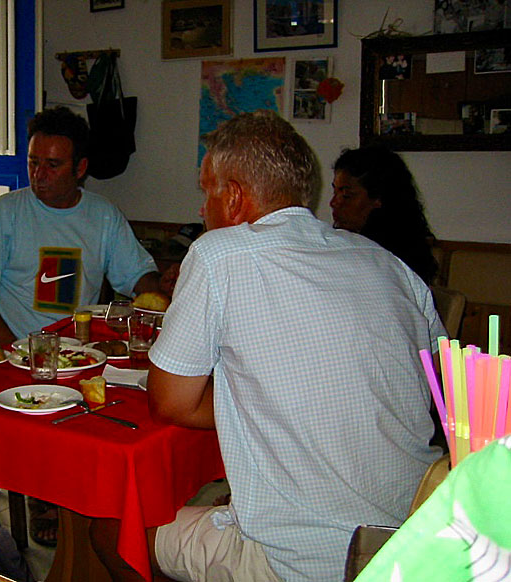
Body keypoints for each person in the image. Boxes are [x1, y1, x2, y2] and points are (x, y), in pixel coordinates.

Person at [91, 111, 446, 581]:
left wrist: (254, 398)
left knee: (113, 529)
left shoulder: (218, 254)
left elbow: (170, 403)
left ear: (234, 196)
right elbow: (433, 382)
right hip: (416, 537)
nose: (202, 210)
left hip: (310, 560)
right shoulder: (387, 263)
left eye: (206, 191)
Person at [0, 106, 162, 348]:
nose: (38, 174)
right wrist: (12, 350)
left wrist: (164, 288)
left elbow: (138, 277)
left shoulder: (104, 215)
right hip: (10, 350)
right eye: (33, 162)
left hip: (75, 355)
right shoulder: (6, 211)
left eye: (52, 165)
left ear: (80, 168)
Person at [331, 146, 439, 284]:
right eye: (335, 192)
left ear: (378, 199)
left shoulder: (390, 258)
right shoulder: (342, 242)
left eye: (346, 196)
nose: (334, 203)